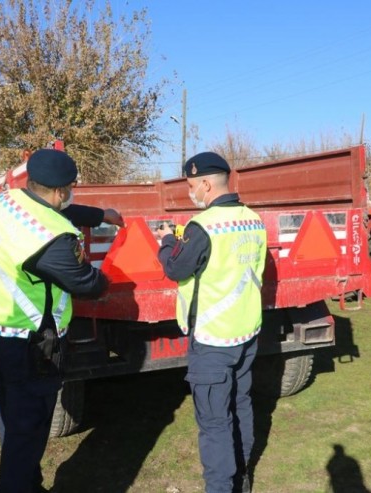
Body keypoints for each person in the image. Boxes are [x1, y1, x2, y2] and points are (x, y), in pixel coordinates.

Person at [0, 148, 122, 493]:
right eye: (69, 190)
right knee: (28, 432)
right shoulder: (53, 238)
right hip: (30, 346)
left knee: (11, 418)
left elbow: (61, 208)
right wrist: (113, 276)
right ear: (60, 191)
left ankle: (27, 482)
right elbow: (86, 283)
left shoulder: (8, 201)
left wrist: (103, 214)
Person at [157, 152, 267, 493]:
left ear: (205, 184)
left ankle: (221, 488)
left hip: (213, 341)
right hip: (246, 332)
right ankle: (242, 478)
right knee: (241, 406)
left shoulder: (202, 226)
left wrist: (166, 241)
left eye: (192, 185)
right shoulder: (253, 218)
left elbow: (176, 268)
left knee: (215, 422)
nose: (191, 192)